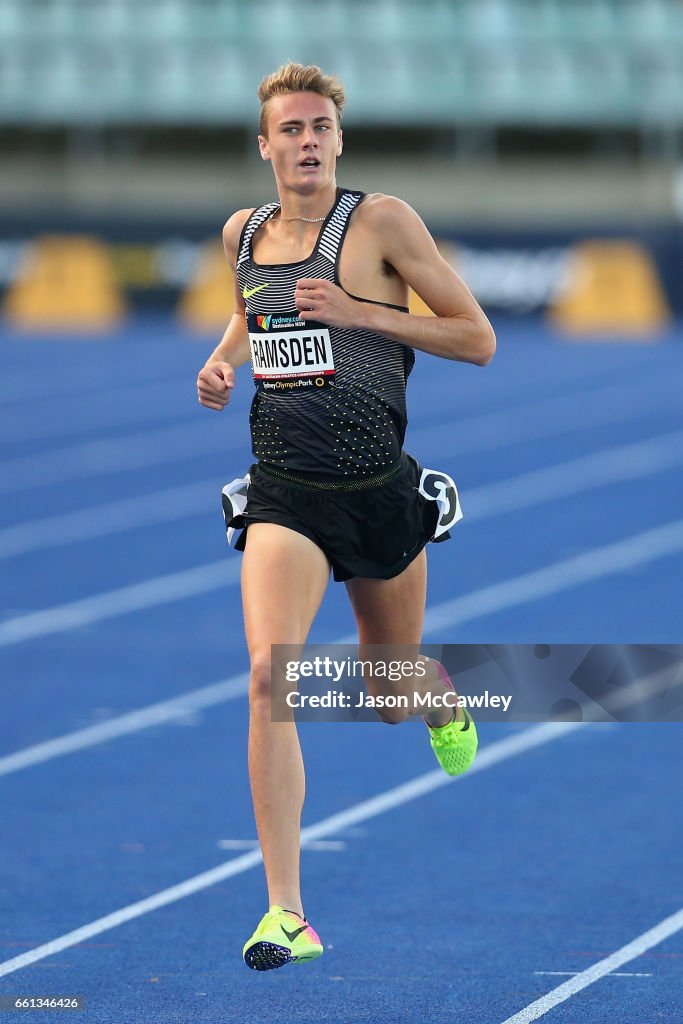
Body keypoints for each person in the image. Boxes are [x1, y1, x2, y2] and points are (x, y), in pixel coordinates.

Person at [196, 62, 496, 972]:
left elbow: (475, 338)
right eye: (290, 129)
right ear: (265, 145)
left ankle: (434, 688)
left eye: (320, 126)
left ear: (338, 138)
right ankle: (286, 911)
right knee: (266, 675)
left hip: (375, 493)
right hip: (285, 491)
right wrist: (220, 360)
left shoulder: (380, 222)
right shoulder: (242, 232)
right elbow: (255, 314)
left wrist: (365, 311)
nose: (307, 141)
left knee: (391, 697)